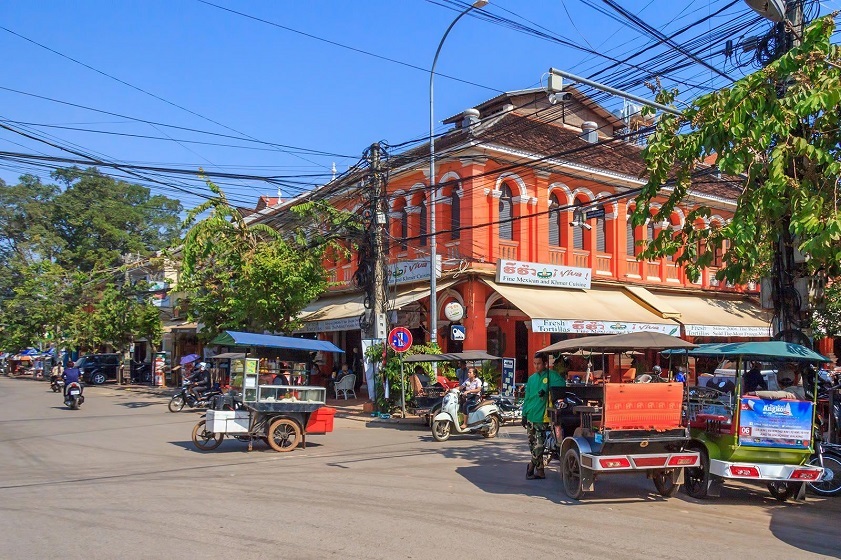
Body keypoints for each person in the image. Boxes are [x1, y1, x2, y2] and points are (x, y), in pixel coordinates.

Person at [523, 352, 565, 480]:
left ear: (545, 363)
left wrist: (548, 390)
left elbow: (562, 386)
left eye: (539, 363)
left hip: (543, 416)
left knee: (539, 446)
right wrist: (523, 414)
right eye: (534, 363)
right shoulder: (531, 378)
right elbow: (527, 398)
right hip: (530, 415)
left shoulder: (552, 376)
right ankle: (540, 470)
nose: (536, 366)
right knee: (532, 444)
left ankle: (531, 466)